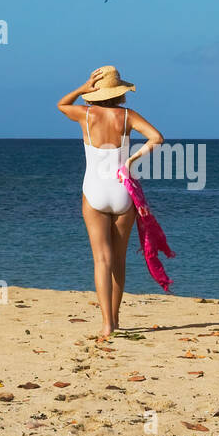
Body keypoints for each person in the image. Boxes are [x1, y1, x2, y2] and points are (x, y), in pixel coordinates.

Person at [57, 66, 164, 340]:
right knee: (118, 259)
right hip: (122, 192)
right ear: (119, 92)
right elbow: (157, 138)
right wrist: (131, 160)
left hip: (94, 191)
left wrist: (82, 88)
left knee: (101, 260)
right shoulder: (128, 116)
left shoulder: (85, 114)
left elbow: (61, 104)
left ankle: (106, 325)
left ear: (96, 92)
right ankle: (115, 320)